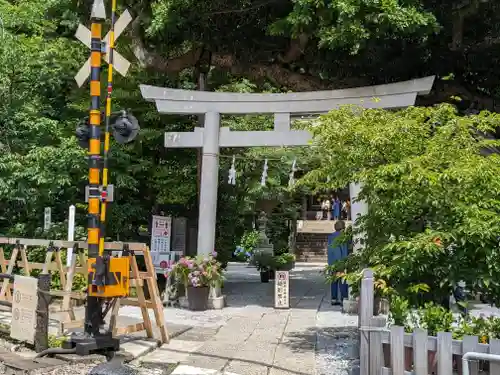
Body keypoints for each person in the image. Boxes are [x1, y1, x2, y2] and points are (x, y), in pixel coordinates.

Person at [327, 220, 349, 305]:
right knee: (342, 280)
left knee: (334, 281)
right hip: (341, 261)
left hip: (332, 262)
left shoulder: (330, 237)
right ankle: (343, 298)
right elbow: (344, 250)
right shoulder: (343, 237)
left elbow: (329, 250)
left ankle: (334, 298)